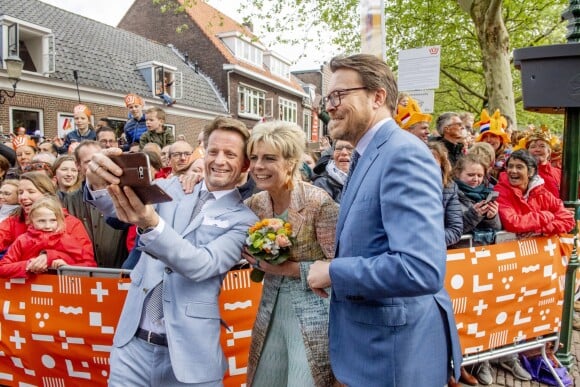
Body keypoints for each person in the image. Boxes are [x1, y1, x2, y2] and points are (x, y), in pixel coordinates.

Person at [306, 54, 462, 386]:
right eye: (326, 98)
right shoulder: (370, 153)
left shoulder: (402, 153)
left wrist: (333, 271)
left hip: (396, 356)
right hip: (379, 348)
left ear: (378, 97)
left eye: (338, 96)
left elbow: (420, 268)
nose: (328, 107)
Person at [85, 116, 258, 386]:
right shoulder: (172, 186)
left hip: (192, 356)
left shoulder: (244, 219)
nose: (219, 160)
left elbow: (201, 265)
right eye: (213, 151)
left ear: (245, 164)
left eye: (230, 154)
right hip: (132, 347)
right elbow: (113, 206)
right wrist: (96, 180)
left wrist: (151, 224)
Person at [241, 121, 339, 386]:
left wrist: (286, 269)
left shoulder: (319, 203)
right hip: (270, 313)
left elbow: (340, 267)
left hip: (313, 315)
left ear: (291, 162)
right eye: (254, 157)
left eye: (269, 158)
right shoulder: (255, 204)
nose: (258, 166)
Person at [61, 141, 128, 268]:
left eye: (99, 160)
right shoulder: (66, 201)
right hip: (82, 274)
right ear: (78, 166)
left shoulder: (124, 196)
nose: (95, 166)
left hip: (119, 273)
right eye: (88, 162)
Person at [0, 172, 93, 256]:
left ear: (46, 194)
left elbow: (85, 259)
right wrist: (28, 266)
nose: (23, 197)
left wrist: (50, 257)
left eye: (31, 192)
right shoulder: (13, 221)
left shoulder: (71, 223)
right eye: (20, 192)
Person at [0, 196, 96, 278]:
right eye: (41, 221)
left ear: (59, 220)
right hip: (28, 293)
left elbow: (89, 265)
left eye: (53, 220)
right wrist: (28, 265)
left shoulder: (66, 240)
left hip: (60, 292)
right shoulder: (22, 240)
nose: (47, 226)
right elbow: (2, 267)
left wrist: (66, 266)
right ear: (31, 220)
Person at [494, 149, 573, 236]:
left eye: (519, 167)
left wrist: (541, 230)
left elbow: (568, 220)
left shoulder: (541, 192)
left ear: (531, 172)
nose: (513, 171)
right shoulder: (500, 191)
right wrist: (546, 215)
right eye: (510, 166)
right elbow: (512, 223)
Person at [428, 142, 463, 247]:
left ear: (441, 164)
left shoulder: (449, 188)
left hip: (434, 250)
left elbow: (455, 229)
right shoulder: (405, 185)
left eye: (432, 160)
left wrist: (427, 240)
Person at [514, 126, 561, 199]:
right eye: (533, 147)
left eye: (542, 146)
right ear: (527, 151)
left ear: (549, 151)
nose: (537, 150)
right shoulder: (522, 173)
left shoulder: (559, 173)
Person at [474, 109, 511, 184]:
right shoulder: (474, 156)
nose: (488, 140)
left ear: (500, 139)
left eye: (493, 136)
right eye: (485, 136)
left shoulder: (511, 157)